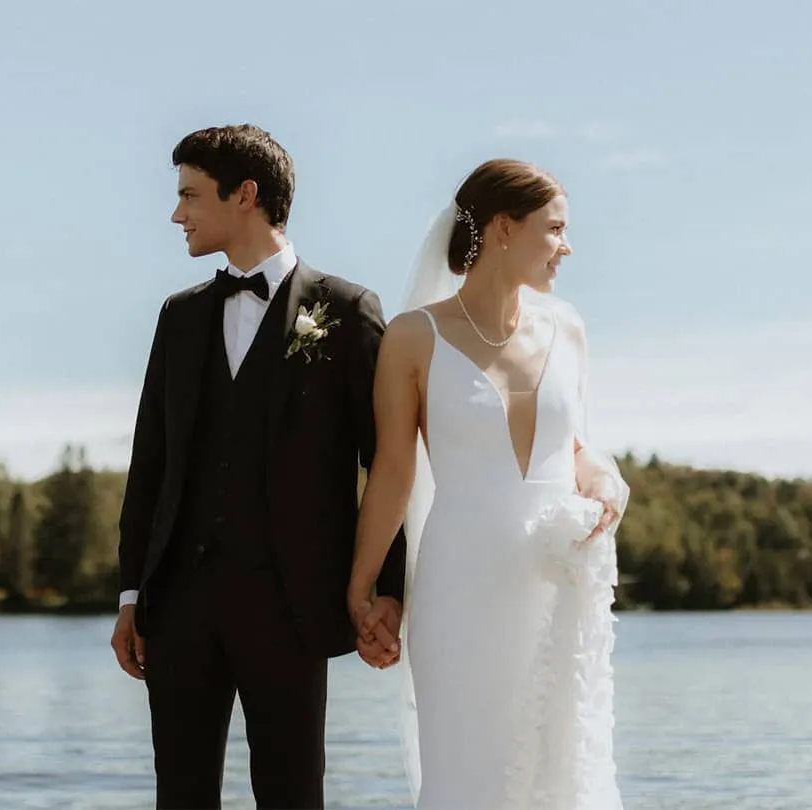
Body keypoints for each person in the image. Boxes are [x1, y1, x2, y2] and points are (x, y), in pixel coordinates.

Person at [110, 123, 407, 809]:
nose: (176, 213)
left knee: (293, 793)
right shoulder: (177, 318)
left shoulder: (345, 310)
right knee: (179, 795)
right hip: (177, 607)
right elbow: (148, 467)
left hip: (293, 606)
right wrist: (132, 596)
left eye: (189, 195)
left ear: (244, 195)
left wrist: (384, 590)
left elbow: (386, 461)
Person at [347, 158, 630, 809]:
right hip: (459, 595)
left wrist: (608, 487)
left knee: (559, 776)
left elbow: (582, 451)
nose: (567, 246)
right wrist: (361, 590)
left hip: (556, 589)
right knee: (467, 776)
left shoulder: (570, 328)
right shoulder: (413, 337)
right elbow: (392, 472)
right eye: (555, 229)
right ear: (504, 227)